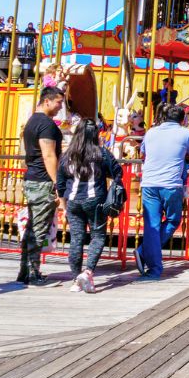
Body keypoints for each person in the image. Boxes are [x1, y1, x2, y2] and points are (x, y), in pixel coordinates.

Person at [57, 119, 122, 293]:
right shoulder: (102, 153)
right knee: (98, 236)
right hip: (96, 200)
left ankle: (75, 279)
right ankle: (88, 272)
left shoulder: (67, 155)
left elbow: (60, 183)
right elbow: (117, 172)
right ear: (96, 134)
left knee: (76, 239)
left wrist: (63, 205)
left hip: (73, 200)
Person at [134, 104, 189, 279]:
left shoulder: (151, 132)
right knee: (173, 220)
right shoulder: (185, 133)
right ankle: (146, 254)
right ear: (182, 119)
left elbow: (143, 154)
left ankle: (152, 265)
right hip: (171, 184)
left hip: (149, 183)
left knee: (152, 226)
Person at [18, 85, 65, 285]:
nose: (59, 107)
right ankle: (32, 272)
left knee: (31, 226)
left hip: (32, 177)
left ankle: (25, 270)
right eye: (58, 102)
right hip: (42, 180)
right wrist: (57, 183)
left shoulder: (31, 121)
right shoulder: (46, 124)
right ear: (47, 101)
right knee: (38, 228)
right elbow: (48, 154)